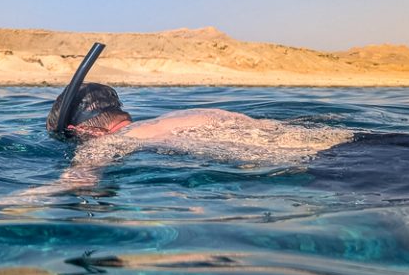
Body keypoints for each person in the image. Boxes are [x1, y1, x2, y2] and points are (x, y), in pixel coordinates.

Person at [38, 43, 352, 193]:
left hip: (326, 165)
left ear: (83, 131)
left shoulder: (111, 142)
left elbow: (79, 181)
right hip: (343, 143)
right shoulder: (176, 118)